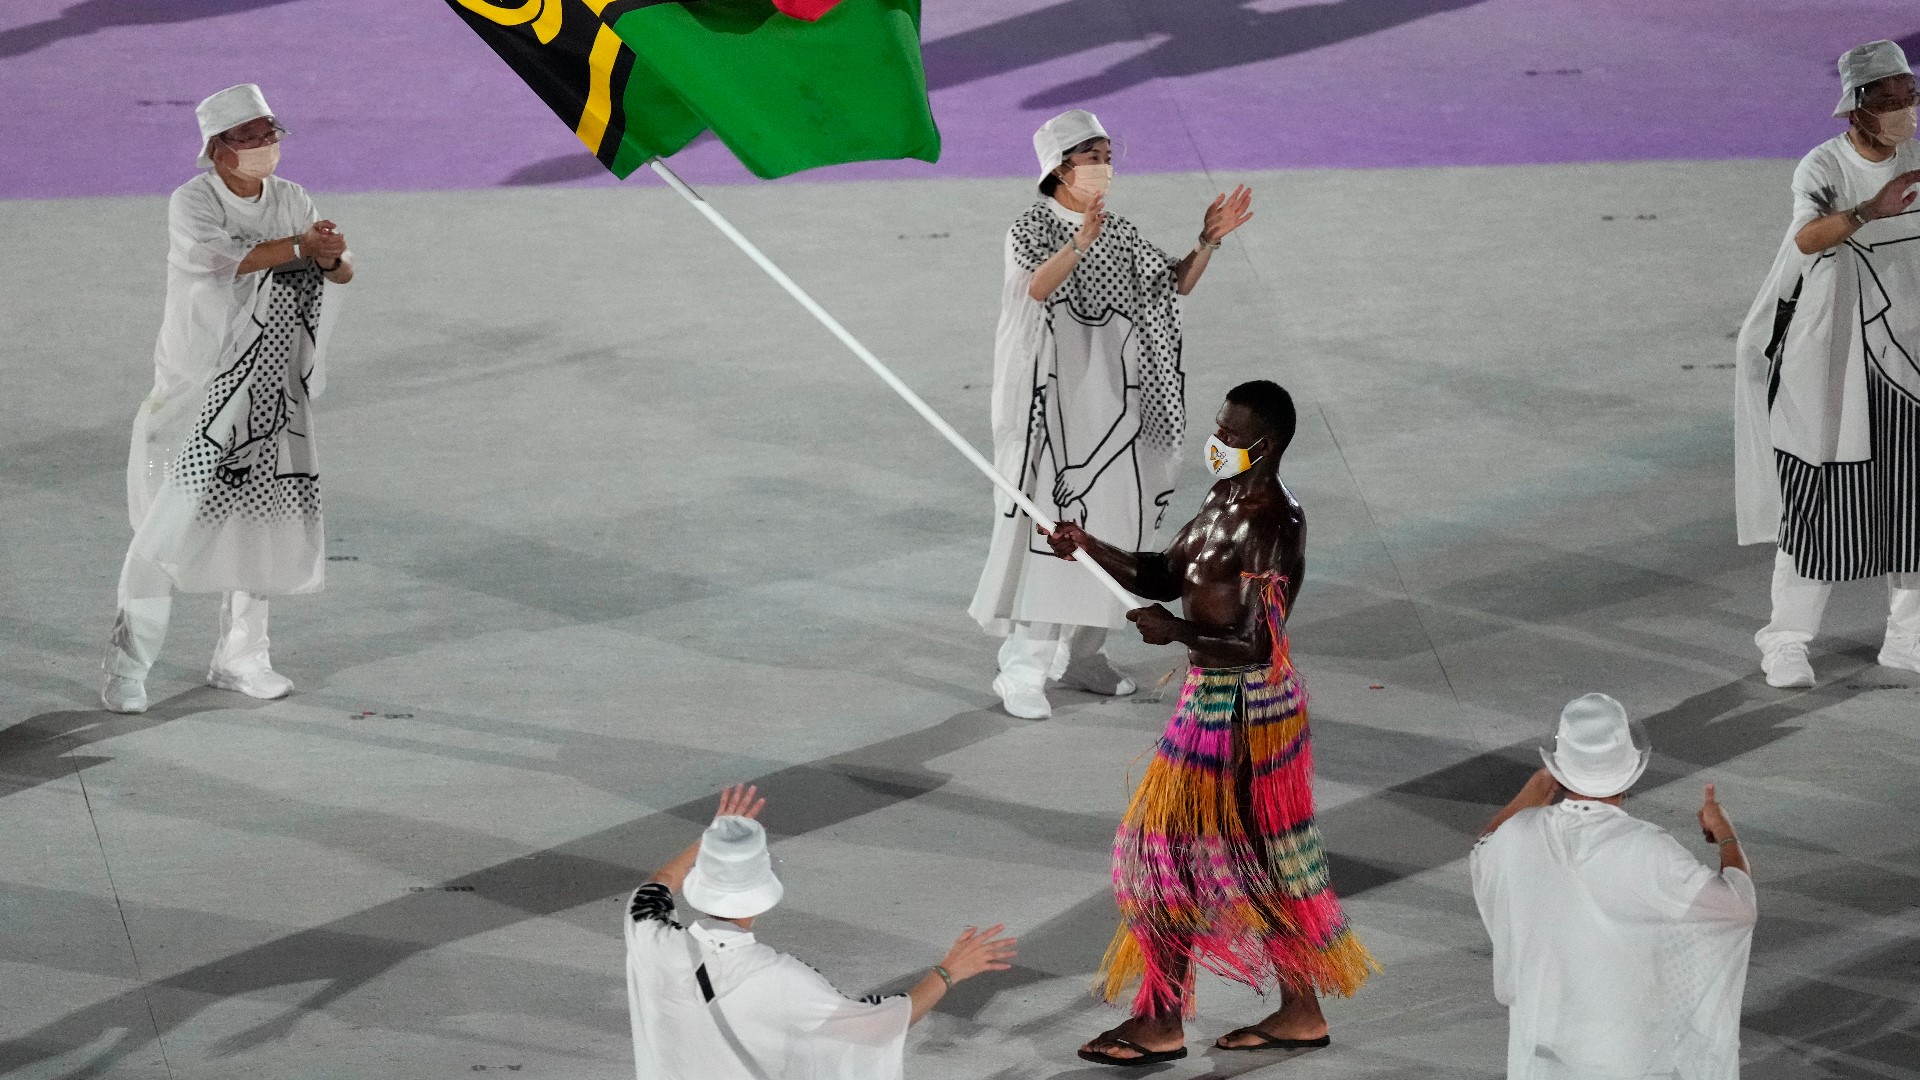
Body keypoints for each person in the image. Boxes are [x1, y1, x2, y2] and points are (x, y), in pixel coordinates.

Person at [1042, 381, 1373, 1066]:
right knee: (1256, 862)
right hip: (1216, 700)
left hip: (1244, 709)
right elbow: (1164, 572)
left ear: (1269, 445)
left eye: (1232, 434)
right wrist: (1087, 547)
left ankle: (1162, 1021)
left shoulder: (1274, 524)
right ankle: (1299, 1010)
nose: (1216, 443)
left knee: (1160, 856)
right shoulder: (1225, 499)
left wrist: (1176, 631)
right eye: (1218, 428)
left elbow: (1257, 642)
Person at [969, 108, 1255, 720]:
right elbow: (1036, 289)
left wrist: (1208, 240)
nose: (1105, 167)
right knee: (1052, 539)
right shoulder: (1031, 226)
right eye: (1092, 157)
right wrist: (1079, 243)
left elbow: (1172, 284)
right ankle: (1023, 669)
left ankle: (1085, 656)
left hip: (1120, 406)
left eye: (1107, 156)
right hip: (1055, 409)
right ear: (1059, 167)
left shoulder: (1120, 232)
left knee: (1118, 538)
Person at [100, 83, 354, 714]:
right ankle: (128, 665)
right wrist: (301, 248)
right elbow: (224, 261)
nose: (267, 146)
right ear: (218, 150)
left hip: (267, 394)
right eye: (253, 138)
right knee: (163, 529)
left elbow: (338, 269)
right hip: (195, 391)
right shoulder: (192, 203)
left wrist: (330, 253)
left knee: (257, 528)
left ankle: (242, 658)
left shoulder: (292, 197)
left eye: (272, 135)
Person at [1734, 39, 1920, 688]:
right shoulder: (1823, 166)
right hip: (1834, 360)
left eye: (1909, 97)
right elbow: (1808, 238)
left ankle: (1908, 637)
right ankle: (1785, 641)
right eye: (1888, 100)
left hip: (1913, 359)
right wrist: (1873, 208)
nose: (1903, 111)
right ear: (1856, 109)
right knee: (1820, 507)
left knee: (1915, 503)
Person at [625, 783, 1019, 1079]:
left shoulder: (650, 936)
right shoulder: (779, 976)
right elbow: (877, 1022)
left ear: (702, 877)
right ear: (763, 895)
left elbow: (657, 884)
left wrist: (716, 838)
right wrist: (949, 971)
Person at [1471, 694, 1757, 1080]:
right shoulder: (1650, 849)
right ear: (1629, 769)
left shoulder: (1518, 834)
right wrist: (1724, 833)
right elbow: (1736, 908)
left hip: (1539, 1048)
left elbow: (1483, 850)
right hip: (1625, 1054)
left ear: (1559, 768)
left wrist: (1532, 793)